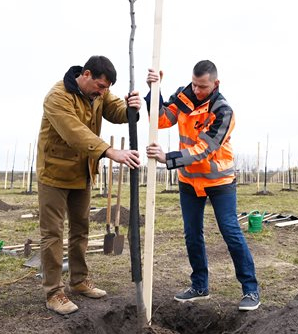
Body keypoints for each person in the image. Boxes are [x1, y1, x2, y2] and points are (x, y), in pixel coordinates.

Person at [145, 60, 260, 311]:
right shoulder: (184, 96)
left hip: (219, 181)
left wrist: (169, 158)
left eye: (203, 87)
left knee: (230, 232)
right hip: (188, 180)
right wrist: (155, 91)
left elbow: (203, 150)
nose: (197, 91)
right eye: (195, 85)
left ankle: (250, 290)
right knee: (192, 234)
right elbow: (163, 119)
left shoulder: (223, 112)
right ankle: (199, 286)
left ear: (215, 84)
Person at [37, 55, 141, 315]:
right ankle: (53, 292)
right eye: (101, 86)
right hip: (54, 173)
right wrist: (108, 151)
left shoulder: (99, 95)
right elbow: (74, 132)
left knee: (80, 229)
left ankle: (79, 280)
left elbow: (117, 111)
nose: (103, 92)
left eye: (107, 88)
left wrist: (133, 107)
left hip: (82, 174)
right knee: (53, 233)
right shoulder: (57, 97)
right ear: (85, 74)